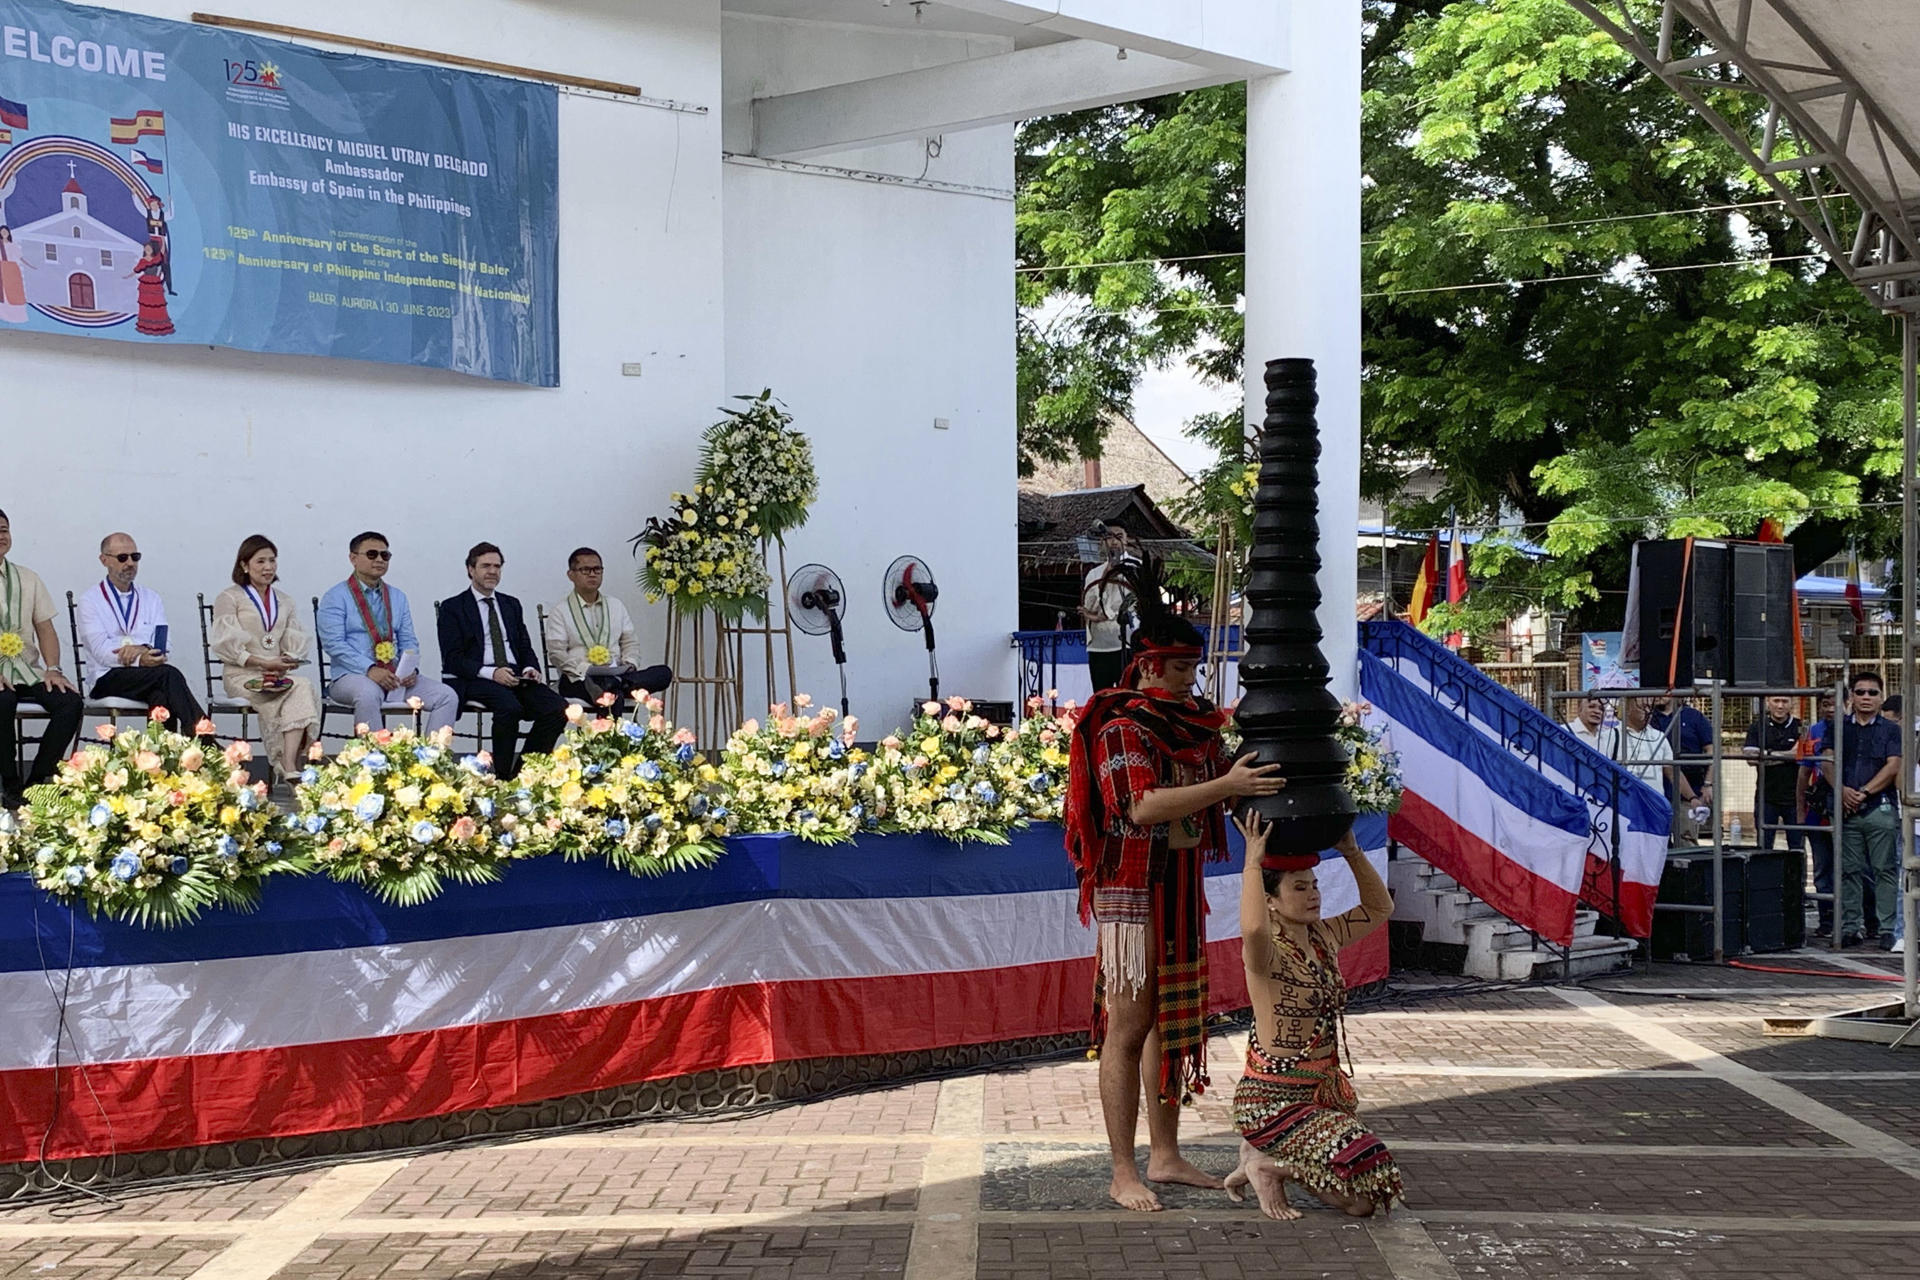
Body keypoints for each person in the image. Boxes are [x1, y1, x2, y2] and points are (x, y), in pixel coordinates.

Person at [1064, 556, 1284, 1213]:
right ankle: (1121, 1170)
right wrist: (1227, 785)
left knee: (1168, 1020)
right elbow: (1140, 805)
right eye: (1183, 670)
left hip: (1180, 882)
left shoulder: (1191, 724)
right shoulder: (1120, 723)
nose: (1193, 682)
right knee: (1126, 1028)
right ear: (1149, 666)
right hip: (1132, 890)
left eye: (1195, 670)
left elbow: (1226, 769)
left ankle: (1164, 1156)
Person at [1224, 813, 1403, 1220]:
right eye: (1299, 887)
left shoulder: (1325, 935)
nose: (1313, 895)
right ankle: (1266, 1164)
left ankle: (1262, 1155)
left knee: (1362, 1200)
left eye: (1315, 885)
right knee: (1368, 1171)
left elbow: (1380, 906)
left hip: (1323, 1093)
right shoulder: (1266, 951)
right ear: (1271, 899)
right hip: (1271, 1101)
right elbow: (1252, 929)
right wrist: (1252, 862)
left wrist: (1353, 853)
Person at [439, 542, 566, 780]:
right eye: (486, 566)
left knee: (557, 708)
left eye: (497, 566)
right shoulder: (453, 607)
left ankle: (525, 772)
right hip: (476, 677)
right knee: (510, 708)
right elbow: (453, 659)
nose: (492, 571)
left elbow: (524, 645)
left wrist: (530, 668)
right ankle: (502, 776)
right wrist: (492, 673)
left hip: (515, 675)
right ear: (470, 569)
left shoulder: (510, 604)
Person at [316, 531, 459, 736]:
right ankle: (374, 765)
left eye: (385, 555)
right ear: (353, 558)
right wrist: (370, 669)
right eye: (372, 554)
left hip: (395, 677)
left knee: (447, 696)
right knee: (367, 693)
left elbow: (409, 639)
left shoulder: (397, 596)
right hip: (351, 676)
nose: (380, 560)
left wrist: (410, 670)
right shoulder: (336, 597)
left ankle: (430, 761)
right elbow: (333, 644)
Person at [210, 535, 321, 784]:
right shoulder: (229, 598)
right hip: (243, 674)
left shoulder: (284, 600)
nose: (268, 567)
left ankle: (289, 763)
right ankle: (284, 761)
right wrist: (262, 662)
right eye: (260, 561)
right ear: (244, 565)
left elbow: (294, 639)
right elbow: (225, 645)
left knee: (301, 684)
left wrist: (289, 659)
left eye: (272, 560)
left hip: (277, 674)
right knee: (283, 695)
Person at [76, 532, 207, 729]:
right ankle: (203, 738)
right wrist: (140, 658)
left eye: (135, 557)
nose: (130, 563)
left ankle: (162, 755)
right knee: (168, 675)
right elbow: (101, 652)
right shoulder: (90, 600)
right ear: (104, 560)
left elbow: (165, 645)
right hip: (107, 677)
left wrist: (143, 649)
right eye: (122, 558)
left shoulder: (151, 598)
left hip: (148, 676)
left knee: (161, 695)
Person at [0, 510, 82, 806]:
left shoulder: (27, 577)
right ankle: (9, 785)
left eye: (4, 529)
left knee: (70, 702)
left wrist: (53, 668)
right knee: (3, 701)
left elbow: (44, 629)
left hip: (26, 669)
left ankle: (37, 782)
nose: (1, 536)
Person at [543, 547, 673, 710]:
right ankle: (620, 687)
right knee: (612, 697)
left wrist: (629, 664)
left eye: (597, 569)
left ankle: (622, 683)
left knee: (663, 672)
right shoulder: (560, 611)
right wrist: (584, 669)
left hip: (617, 672)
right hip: (579, 677)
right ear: (571, 575)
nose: (592, 574)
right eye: (585, 570)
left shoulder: (615, 606)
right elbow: (557, 653)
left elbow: (630, 642)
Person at [1826, 671, 1901, 950]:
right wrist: (1841, 790)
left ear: (1881, 697)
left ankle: (1886, 928)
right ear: (1851, 697)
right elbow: (1826, 761)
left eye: (1872, 692)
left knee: (1885, 870)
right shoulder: (1837, 727)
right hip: (1844, 808)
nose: (1866, 697)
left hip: (1879, 808)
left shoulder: (1892, 730)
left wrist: (1865, 791)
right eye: (1860, 692)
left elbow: (1894, 766)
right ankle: (1850, 927)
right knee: (1847, 871)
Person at [1798, 692, 1838, 938]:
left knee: (1853, 868)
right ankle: (1826, 919)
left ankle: (1859, 919)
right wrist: (1801, 810)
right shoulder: (1813, 731)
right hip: (1818, 806)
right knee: (1822, 866)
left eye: (1835, 703)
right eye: (1825, 704)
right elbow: (1803, 773)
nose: (1830, 708)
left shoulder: (1853, 728)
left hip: (1846, 805)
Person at [1744, 696, 1804, 853]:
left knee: (1797, 848)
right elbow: (1751, 758)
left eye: (1785, 701)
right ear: (1768, 702)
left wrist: (1766, 755)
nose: (1780, 705)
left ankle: (1798, 878)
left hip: (1795, 798)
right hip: (1766, 797)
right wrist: (1786, 756)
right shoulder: (1757, 727)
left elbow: (1799, 755)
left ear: (1792, 703)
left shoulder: (1801, 727)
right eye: (1776, 701)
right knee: (1764, 847)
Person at [1081, 524, 1136, 692]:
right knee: (1101, 695)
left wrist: (1105, 615)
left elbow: (1132, 603)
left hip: (1127, 643)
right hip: (1099, 645)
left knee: (1128, 694)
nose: (1114, 542)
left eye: (1119, 536)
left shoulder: (1136, 568)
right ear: (1102, 542)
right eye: (1109, 537)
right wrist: (1106, 576)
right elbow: (1088, 606)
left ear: (1127, 540)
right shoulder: (1095, 573)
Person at [1651, 694, 1713, 840]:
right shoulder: (1648, 719)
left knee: (1687, 839)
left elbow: (1712, 751)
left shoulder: (1694, 716)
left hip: (1689, 792)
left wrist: (1708, 784)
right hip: (1656, 793)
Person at [1616, 697, 1675, 792]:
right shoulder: (1611, 736)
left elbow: (1672, 772)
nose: (1648, 711)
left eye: (1650, 707)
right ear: (1627, 709)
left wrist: (1692, 797)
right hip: (1625, 801)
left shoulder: (1659, 736)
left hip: (1654, 803)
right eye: (1643, 707)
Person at [125, 238, 173, 336]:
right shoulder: (142, 261)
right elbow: (136, 271)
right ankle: (146, 325)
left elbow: (162, 252)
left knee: (157, 304)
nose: (147, 250)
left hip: (154, 284)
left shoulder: (156, 259)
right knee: (146, 304)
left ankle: (159, 325)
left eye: (149, 248)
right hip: (146, 285)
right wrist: (127, 276)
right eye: (145, 248)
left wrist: (163, 241)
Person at [0, 226, 31, 325]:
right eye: (2, 232)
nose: (4, 233)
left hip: (11, 270)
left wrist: (30, 265)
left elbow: (20, 257)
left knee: (14, 292)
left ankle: (17, 316)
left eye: (6, 231)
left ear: (9, 233)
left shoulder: (12, 245)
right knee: (3, 293)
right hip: (1, 269)